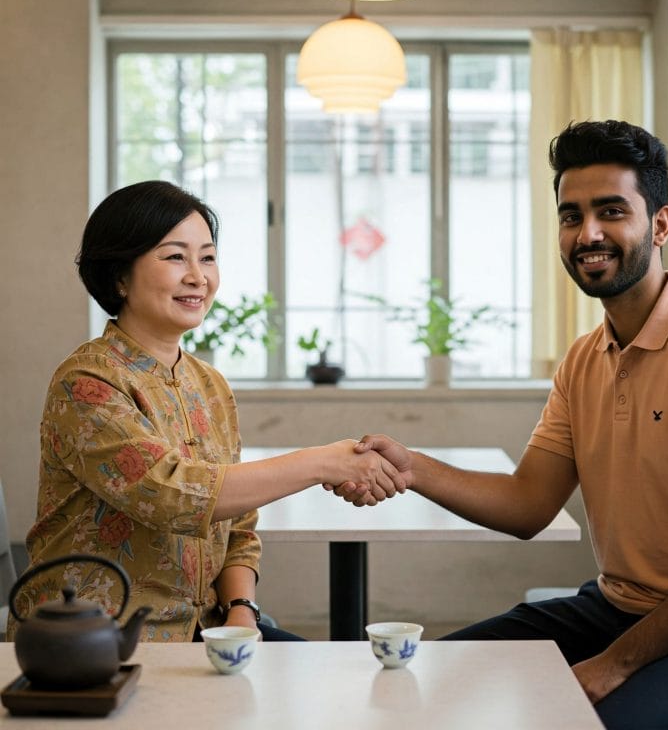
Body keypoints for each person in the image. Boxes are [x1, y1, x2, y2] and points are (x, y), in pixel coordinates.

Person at [335, 120, 668, 729]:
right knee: (424, 683)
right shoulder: (584, 359)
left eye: (611, 211)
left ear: (660, 224)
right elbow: (529, 504)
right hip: (616, 607)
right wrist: (412, 467)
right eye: (571, 215)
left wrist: (613, 665)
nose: (589, 234)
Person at [8, 180, 402, 643]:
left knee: (338, 685)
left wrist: (241, 610)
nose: (198, 276)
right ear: (119, 276)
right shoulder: (88, 381)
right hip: (93, 641)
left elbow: (238, 524)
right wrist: (323, 462)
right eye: (175, 257)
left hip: (210, 630)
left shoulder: (209, 385)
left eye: (208, 257)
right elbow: (171, 495)